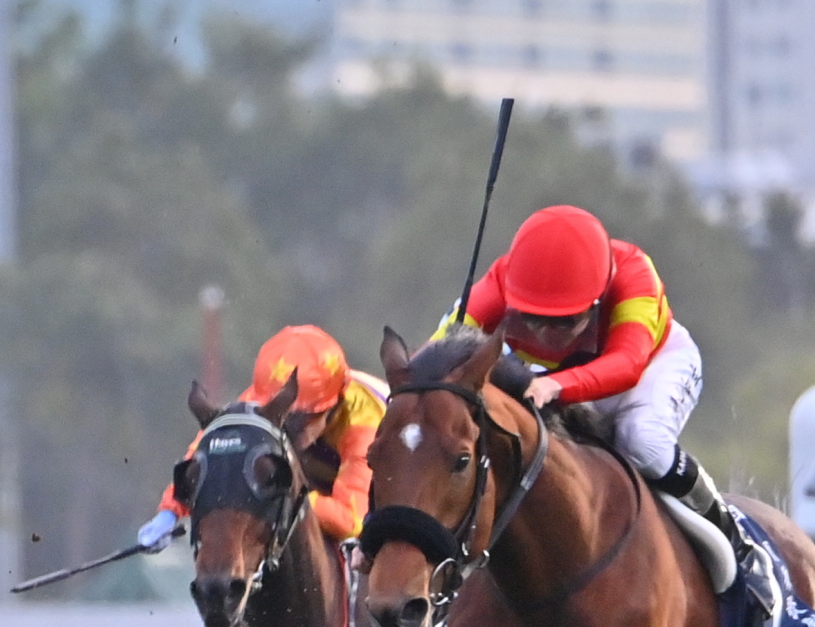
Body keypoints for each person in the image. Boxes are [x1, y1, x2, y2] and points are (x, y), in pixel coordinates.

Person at [445, 204, 750, 579]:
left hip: (647, 368)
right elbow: (442, 355)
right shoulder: (496, 285)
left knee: (642, 442)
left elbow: (627, 364)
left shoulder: (635, 274)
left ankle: (729, 534)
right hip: (548, 378)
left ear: (598, 298)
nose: (546, 332)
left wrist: (557, 384)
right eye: (532, 317)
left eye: (565, 320)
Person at [134, 324, 388, 554]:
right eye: (278, 415)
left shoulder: (365, 422)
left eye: (300, 419)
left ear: (333, 405)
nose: (287, 428)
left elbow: (350, 520)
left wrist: (284, 497)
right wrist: (170, 511)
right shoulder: (266, 398)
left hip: (381, 501)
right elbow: (209, 453)